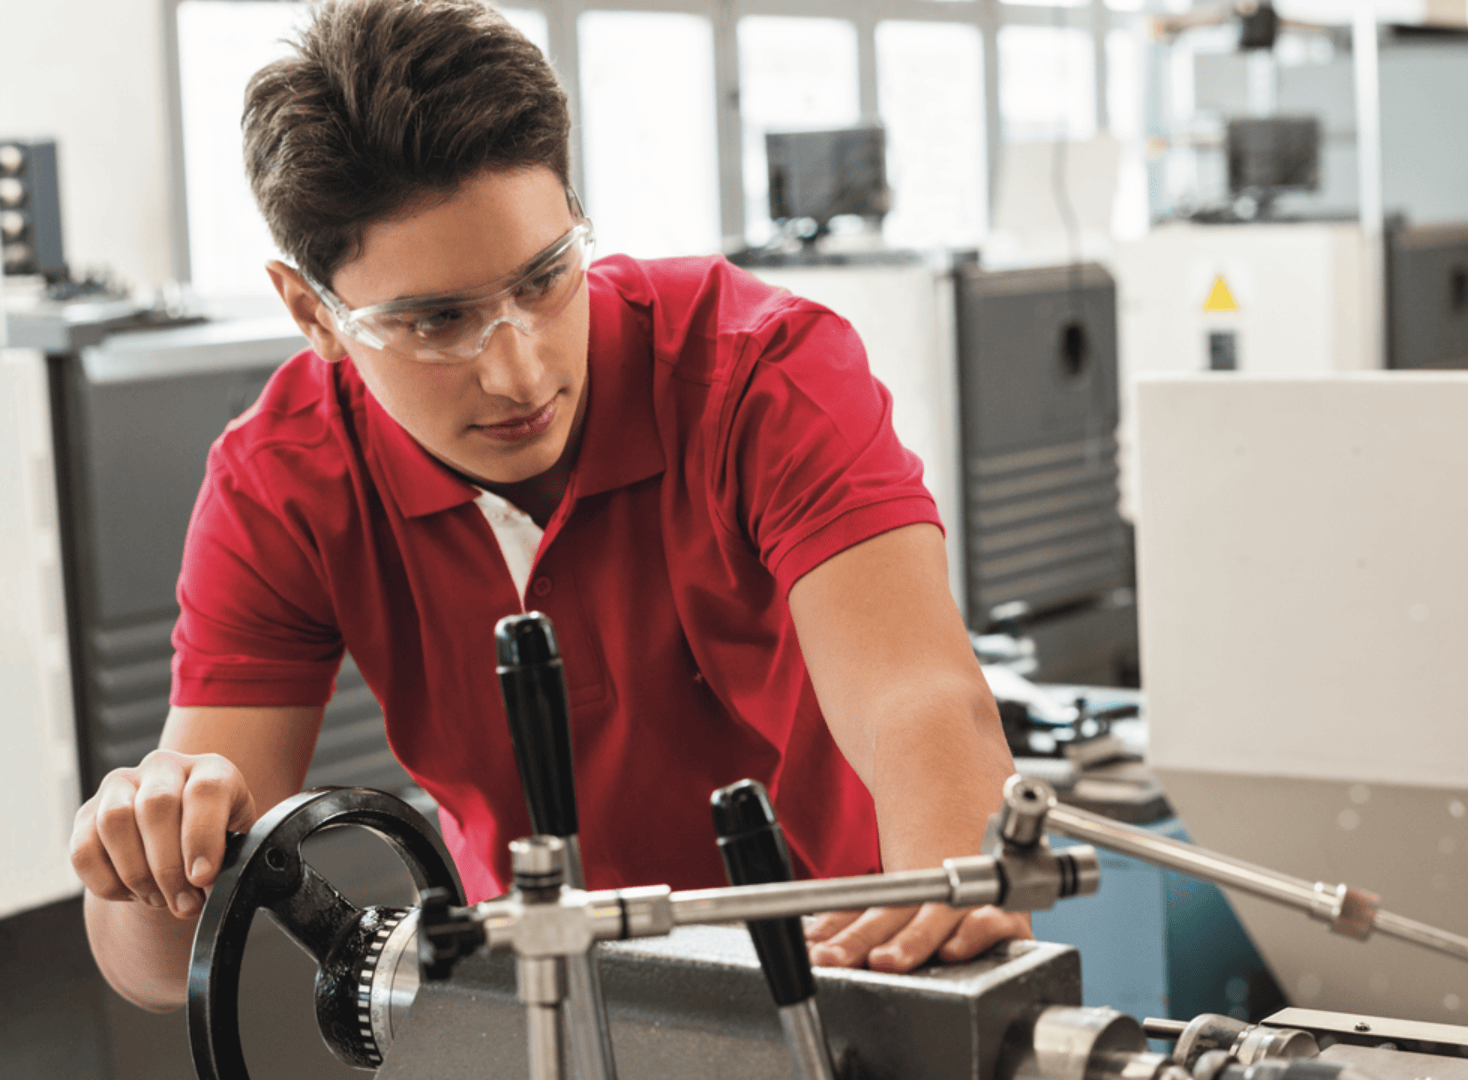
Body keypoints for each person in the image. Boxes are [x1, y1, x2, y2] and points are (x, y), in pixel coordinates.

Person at [69, 0, 1024, 1012]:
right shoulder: (284, 483)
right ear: (315, 313)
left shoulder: (759, 371)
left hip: (851, 979)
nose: (518, 370)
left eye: (544, 276)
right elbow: (163, 969)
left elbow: (921, 698)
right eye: (436, 321)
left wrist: (950, 920)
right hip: (544, 1016)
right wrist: (149, 845)